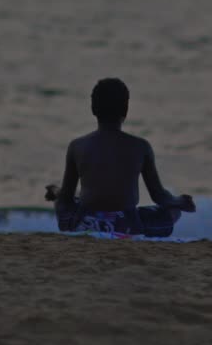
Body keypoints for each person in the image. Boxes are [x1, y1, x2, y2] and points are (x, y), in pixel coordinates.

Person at [46, 78, 195, 237]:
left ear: (93, 108)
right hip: (128, 225)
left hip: (84, 223)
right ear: (126, 109)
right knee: (173, 212)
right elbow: (159, 196)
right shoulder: (141, 146)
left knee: (63, 200)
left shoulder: (77, 146)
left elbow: (66, 199)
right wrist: (178, 202)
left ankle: (56, 190)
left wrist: (58, 194)